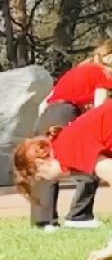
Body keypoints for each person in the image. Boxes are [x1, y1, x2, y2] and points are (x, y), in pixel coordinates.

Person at [32, 43, 112, 230]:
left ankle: (45, 221)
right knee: (90, 160)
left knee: (46, 164)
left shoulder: (78, 70)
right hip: (66, 113)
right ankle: (79, 215)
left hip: (49, 113)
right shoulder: (102, 73)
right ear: (107, 57)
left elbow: (44, 102)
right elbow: (100, 109)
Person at [13, 101, 112, 211]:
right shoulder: (64, 142)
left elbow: (109, 170)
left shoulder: (66, 153)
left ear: (40, 163)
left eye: (42, 177)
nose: (47, 179)